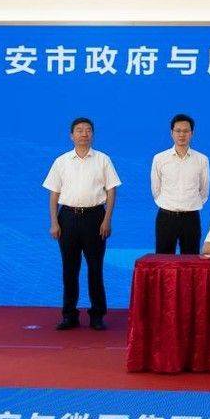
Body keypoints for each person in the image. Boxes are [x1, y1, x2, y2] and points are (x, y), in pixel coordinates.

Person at [42, 116, 121, 331]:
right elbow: (54, 194)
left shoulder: (103, 160)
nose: (84, 134)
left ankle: (97, 315)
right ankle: (69, 315)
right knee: (69, 269)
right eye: (79, 130)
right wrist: (54, 222)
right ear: (71, 135)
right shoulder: (61, 161)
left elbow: (111, 191)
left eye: (88, 130)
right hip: (67, 218)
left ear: (92, 134)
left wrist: (107, 219)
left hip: (95, 218)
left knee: (95, 268)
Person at [151, 113, 210, 255]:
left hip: (191, 218)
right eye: (178, 131)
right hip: (166, 217)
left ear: (192, 133)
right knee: (163, 261)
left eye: (186, 131)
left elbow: (204, 190)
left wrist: (190, 204)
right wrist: (168, 204)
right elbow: (156, 189)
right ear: (171, 133)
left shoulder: (202, 159)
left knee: (191, 261)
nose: (181, 135)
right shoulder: (160, 158)